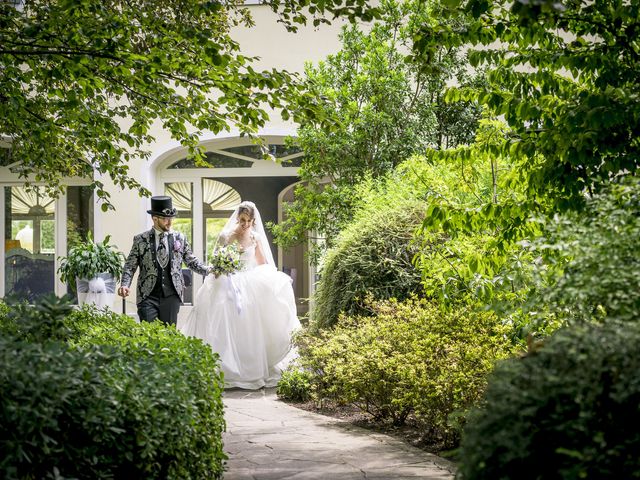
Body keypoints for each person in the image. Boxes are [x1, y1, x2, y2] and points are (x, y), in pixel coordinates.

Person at [179, 201, 300, 389]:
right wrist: (224, 266)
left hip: (248, 281)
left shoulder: (255, 237)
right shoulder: (226, 236)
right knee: (224, 315)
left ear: (253, 221)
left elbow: (261, 262)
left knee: (252, 321)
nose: (245, 225)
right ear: (238, 218)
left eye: (249, 221)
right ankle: (226, 365)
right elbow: (216, 262)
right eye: (243, 220)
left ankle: (250, 366)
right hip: (228, 280)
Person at [118, 196, 211, 326]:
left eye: (171, 219)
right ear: (155, 218)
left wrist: (211, 271)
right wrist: (125, 284)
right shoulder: (140, 239)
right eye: (165, 219)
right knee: (148, 337)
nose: (169, 222)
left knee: (169, 337)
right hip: (147, 296)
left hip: (172, 296)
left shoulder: (180, 238)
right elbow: (130, 265)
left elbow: (191, 262)